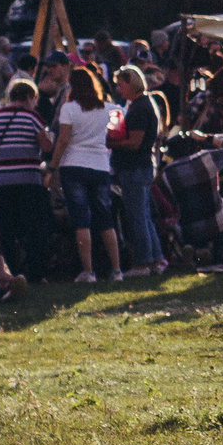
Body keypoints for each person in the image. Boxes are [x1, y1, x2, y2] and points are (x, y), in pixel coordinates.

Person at [47, 65, 123, 284]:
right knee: (105, 218)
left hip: (73, 164)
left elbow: (62, 140)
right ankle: (116, 269)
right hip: (100, 165)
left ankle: (88, 271)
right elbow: (117, 129)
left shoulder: (69, 109)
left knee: (81, 220)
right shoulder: (109, 108)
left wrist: (52, 167)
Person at [0, 78, 54, 284]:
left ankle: (9, 272)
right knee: (33, 226)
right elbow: (46, 146)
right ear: (29, 97)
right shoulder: (32, 116)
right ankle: (36, 273)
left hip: (3, 180)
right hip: (29, 178)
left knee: (5, 229)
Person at [110, 65, 167, 278]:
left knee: (137, 217)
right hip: (141, 166)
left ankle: (142, 264)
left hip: (134, 167)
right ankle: (155, 260)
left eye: (121, 84)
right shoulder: (143, 104)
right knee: (144, 216)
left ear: (131, 83)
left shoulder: (140, 107)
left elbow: (134, 142)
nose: (118, 88)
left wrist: (112, 142)